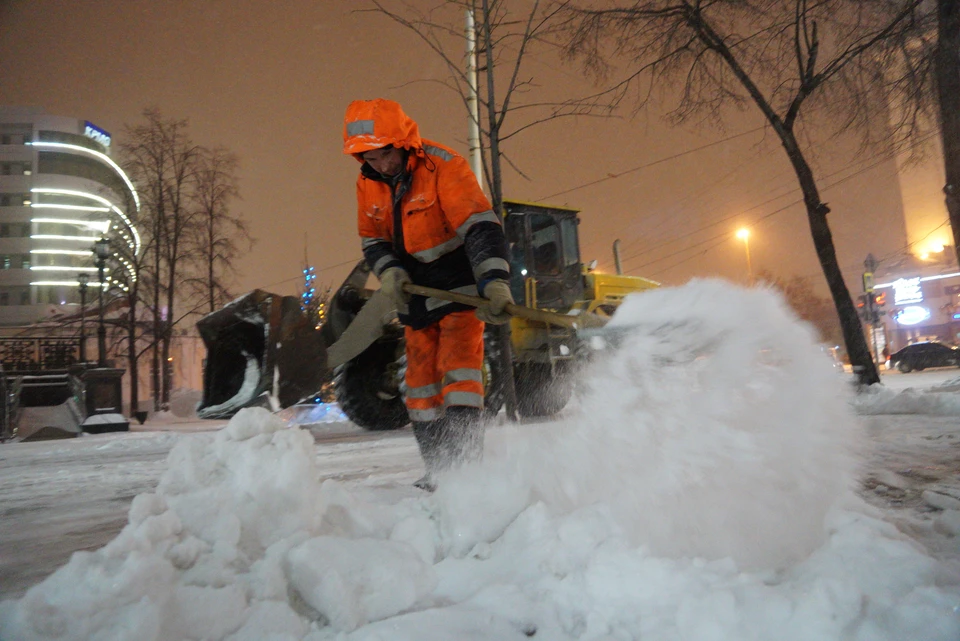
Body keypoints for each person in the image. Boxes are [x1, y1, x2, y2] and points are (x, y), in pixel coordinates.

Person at [342, 98, 514, 491]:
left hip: (460, 288)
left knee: (459, 376)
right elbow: (373, 239)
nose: (379, 164)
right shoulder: (367, 181)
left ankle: (466, 472)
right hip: (415, 295)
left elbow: (480, 227)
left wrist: (495, 282)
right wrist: (391, 272)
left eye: (383, 152)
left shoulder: (443, 166)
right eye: (367, 156)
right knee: (419, 388)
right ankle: (439, 472)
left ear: (402, 142)